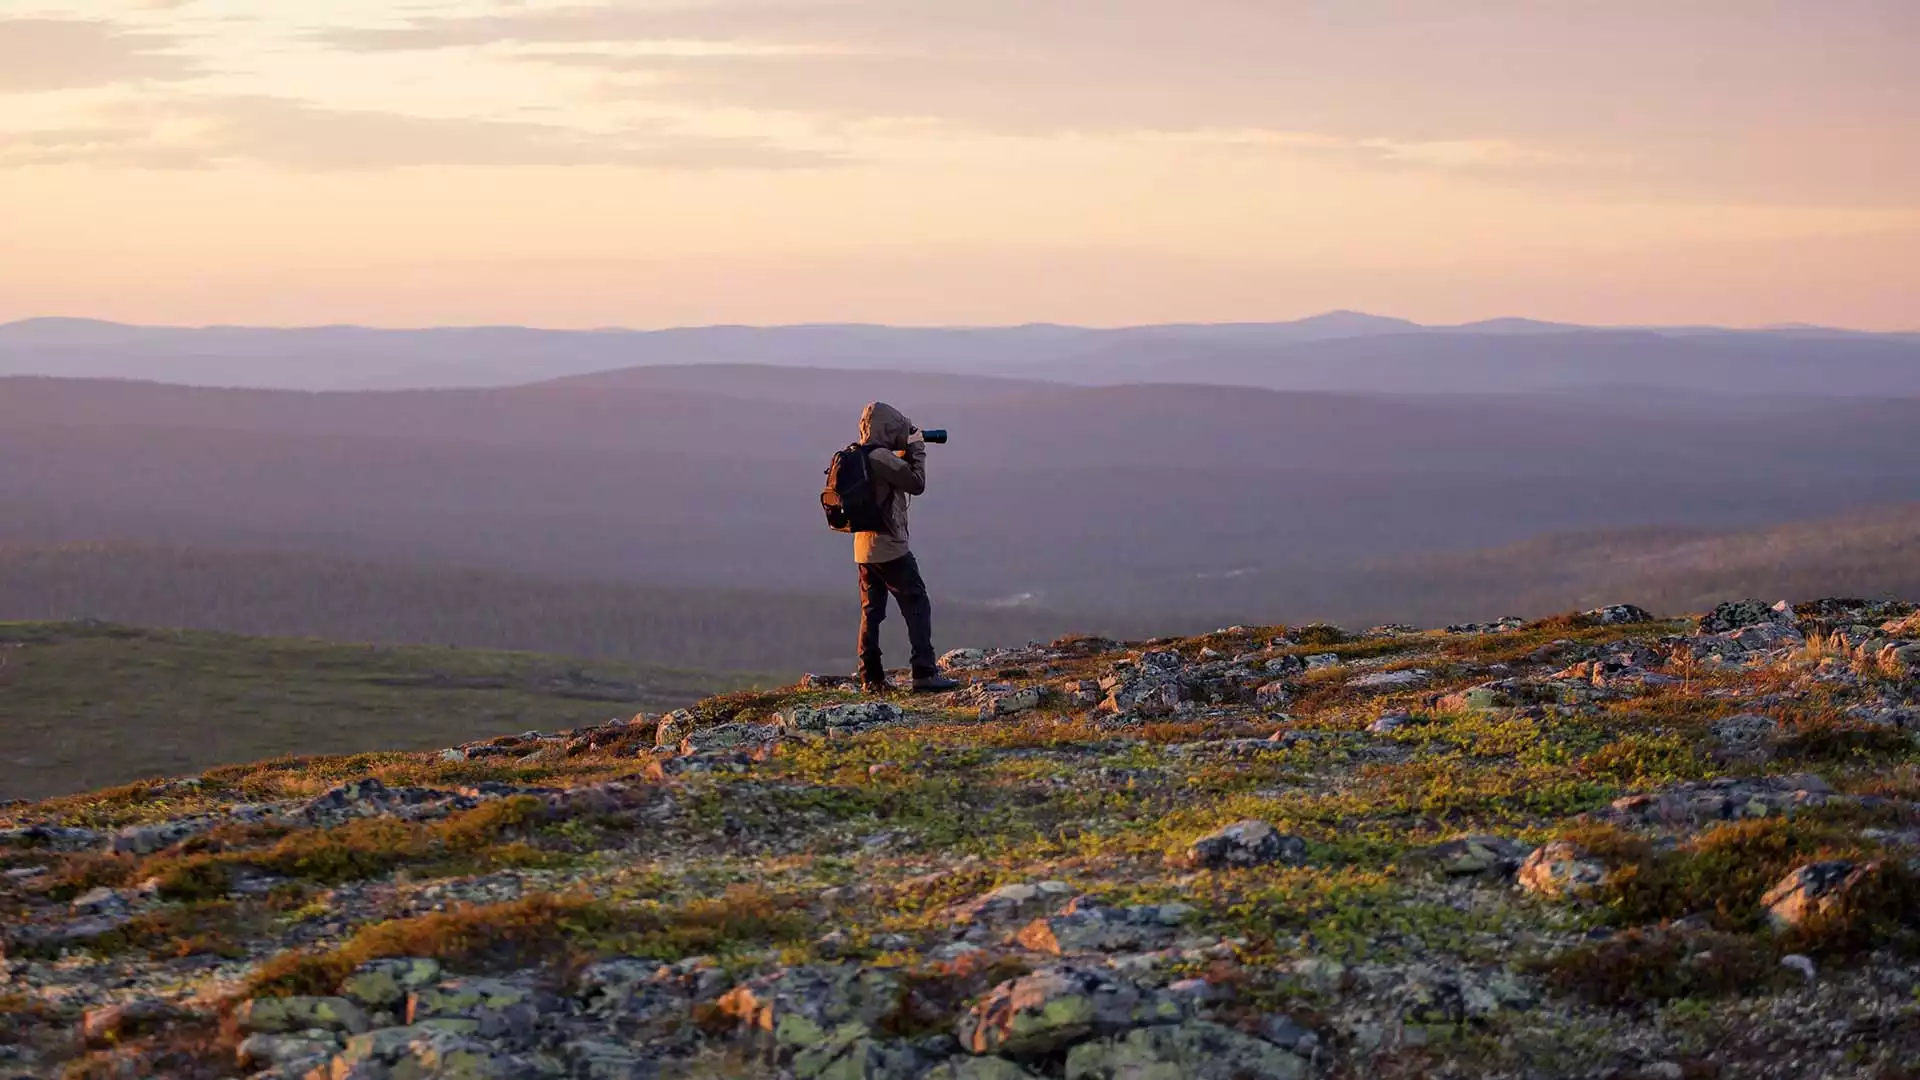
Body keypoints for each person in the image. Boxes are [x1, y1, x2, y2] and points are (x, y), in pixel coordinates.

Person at [854, 401, 959, 693]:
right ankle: (924, 672)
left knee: (871, 612)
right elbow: (916, 483)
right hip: (890, 546)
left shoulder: (860, 454)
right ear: (888, 429)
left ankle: (870, 677)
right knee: (917, 604)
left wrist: (902, 452)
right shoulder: (882, 458)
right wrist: (917, 449)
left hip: (863, 547)